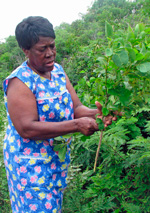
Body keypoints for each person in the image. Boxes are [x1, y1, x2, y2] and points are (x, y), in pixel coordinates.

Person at [3, 16, 117, 213]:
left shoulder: (57, 71)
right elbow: (27, 128)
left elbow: (76, 108)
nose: (50, 53)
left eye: (52, 46)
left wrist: (96, 114)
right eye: (42, 49)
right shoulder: (20, 81)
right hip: (29, 164)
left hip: (55, 158)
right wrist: (76, 125)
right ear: (26, 50)